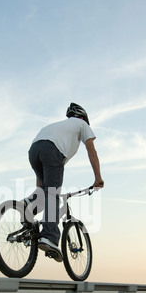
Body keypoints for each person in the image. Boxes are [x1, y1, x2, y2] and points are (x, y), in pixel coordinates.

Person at [23, 103, 104, 262]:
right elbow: (92, 151)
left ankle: (25, 216)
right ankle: (49, 237)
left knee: (45, 193)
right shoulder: (82, 124)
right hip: (52, 151)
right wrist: (98, 178)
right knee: (53, 194)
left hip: (34, 150)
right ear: (82, 117)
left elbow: (44, 173)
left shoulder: (58, 128)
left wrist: (39, 192)